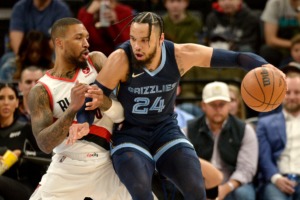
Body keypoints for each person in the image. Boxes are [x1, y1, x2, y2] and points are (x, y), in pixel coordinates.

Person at [74, 11, 285, 199]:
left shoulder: (180, 55)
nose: (137, 46)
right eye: (133, 39)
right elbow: (94, 97)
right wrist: (84, 121)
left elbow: (238, 58)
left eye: (145, 40)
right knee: (141, 191)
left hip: (165, 131)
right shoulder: (121, 59)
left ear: (161, 39)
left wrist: (266, 66)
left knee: (195, 189)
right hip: (130, 133)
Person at [27, 17, 131, 200]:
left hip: (105, 163)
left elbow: (123, 116)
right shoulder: (42, 90)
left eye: (87, 37)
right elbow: (44, 144)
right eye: (78, 38)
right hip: (67, 166)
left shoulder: (96, 61)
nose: (86, 43)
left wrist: (104, 102)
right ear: (59, 43)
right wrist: (72, 110)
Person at [187, 81, 258, 200]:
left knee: (244, 194)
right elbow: (185, 164)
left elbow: (247, 168)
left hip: (232, 182)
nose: (218, 109)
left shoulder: (245, 130)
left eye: (222, 104)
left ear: (229, 105)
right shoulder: (189, 129)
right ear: (203, 105)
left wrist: (226, 188)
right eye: (212, 104)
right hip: (201, 181)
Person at [0, 83, 49, 200]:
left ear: (17, 103)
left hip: (24, 187)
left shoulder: (26, 129)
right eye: (1, 98)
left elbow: (48, 155)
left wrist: (22, 153)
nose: (6, 102)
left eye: (11, 98)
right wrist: (7, 152)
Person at [256, 70, 300, 200]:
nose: (291, 97)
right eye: (287, 93)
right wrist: (276, 178)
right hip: (276, 180)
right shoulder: (265, 123)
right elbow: (264, 157)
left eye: (297, 92)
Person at [259, 0, 300, 67]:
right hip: (282, 47)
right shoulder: (275, 3)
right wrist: (295, 46)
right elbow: (270, 40)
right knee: (267, 51)